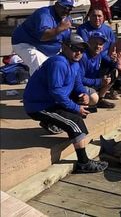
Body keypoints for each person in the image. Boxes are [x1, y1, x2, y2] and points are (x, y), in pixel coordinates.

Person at [23, 34, 108, 173]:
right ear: (64, 47)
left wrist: (84, 94)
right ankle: (83, 163)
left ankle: (50, 123)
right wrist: (75, 107)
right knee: (75, 122)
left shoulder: (74, 63)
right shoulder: (59, 62)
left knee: (83, 110)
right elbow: (56, 92)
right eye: (75, 48)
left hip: (52, 101)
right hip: (39, 106)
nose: (79, 52)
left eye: (82, 49)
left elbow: (78, 83)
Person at [12, 0, 74, 75]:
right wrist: (60, 29)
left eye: (70, 8)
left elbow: (66, 41)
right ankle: (37, 86)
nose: (66, 10)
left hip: (49, 50)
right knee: (41, 67)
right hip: (26, 44)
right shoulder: (45, 14)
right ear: (56, 5)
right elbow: (43, 36)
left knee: (62, 67)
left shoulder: (67, 19)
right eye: (64, 7)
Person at [79, 31, 118, 108]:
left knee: (114, 72)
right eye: (95, 43)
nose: (97, 46)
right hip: (81, 86)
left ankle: (100, 98)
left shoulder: (100, 54)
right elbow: (80, 80)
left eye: (100, 44)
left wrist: (114, 60)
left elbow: (112, 65)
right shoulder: (83, 56)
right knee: (94, 99)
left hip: (93, 81)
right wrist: (99, 81)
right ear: (88, 43)